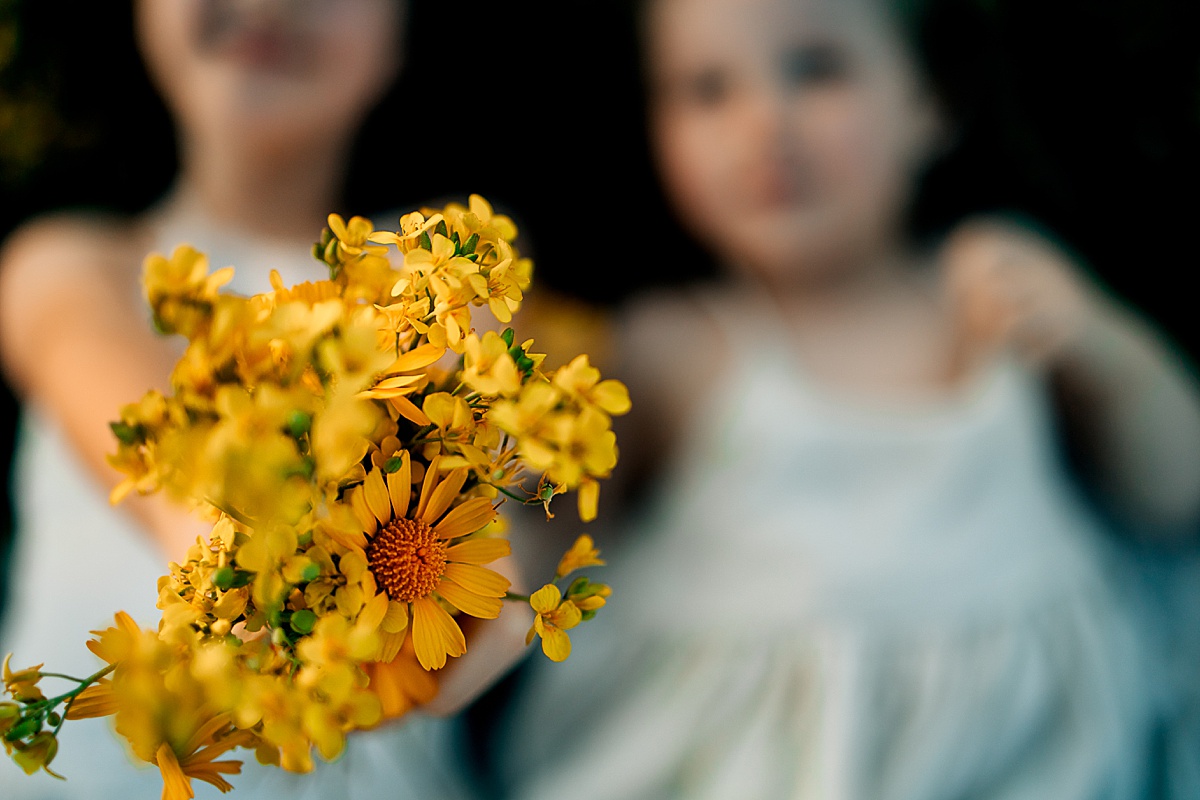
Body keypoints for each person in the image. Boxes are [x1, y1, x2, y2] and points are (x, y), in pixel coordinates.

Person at [491, 0, 1200, 797]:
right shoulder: (678, 346)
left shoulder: (998, 293)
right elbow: (560, 539)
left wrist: (1101, 346)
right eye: (706, 90)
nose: (766, 123)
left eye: (816, 69)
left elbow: (1171, 495)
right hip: (759, 760)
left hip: (1024, 752)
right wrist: (514, 442)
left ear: (930, 101)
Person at [0, 0, 527, 797]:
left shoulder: (444, 281)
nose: (270, 2)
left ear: (406, 36)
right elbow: (159, 451)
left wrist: (475, 598)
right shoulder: (67, 266)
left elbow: (495, 535)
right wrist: (236, 549)